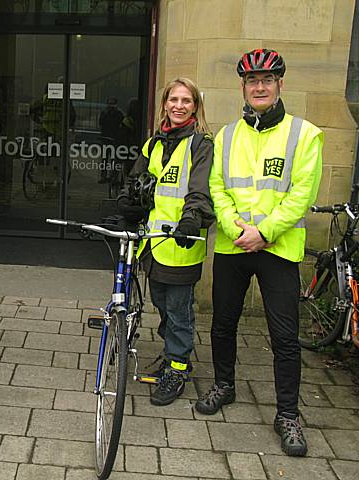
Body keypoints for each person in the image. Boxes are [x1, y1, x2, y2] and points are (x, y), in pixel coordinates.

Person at [195, 49, 323, 457]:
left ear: (280, 85)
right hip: (234, 244)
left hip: (279, 249)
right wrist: (236, 228)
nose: (260, 87)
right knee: (223, 324)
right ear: (244, 88)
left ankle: (288, 414)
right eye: (253, 81)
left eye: (268, 80)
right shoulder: (228, 134)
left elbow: (303, 194)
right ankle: (224, 385)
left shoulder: (305, 134)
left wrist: (263, 232)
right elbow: (217, 187)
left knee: (285, 337)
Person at [117, 78, 214, 406]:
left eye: (187, 100)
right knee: (161, 304)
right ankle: (172, 354)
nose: (179, 105)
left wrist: (193, 217)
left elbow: (200, 187)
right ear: (164, 104)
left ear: (195, 106)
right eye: (174, 99)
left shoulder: (201, 144)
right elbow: (134, 179)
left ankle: (177, 367)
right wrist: (126, 203)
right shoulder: (154, 143)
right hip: (153, 245)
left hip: (182, 243)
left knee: (178, 310)